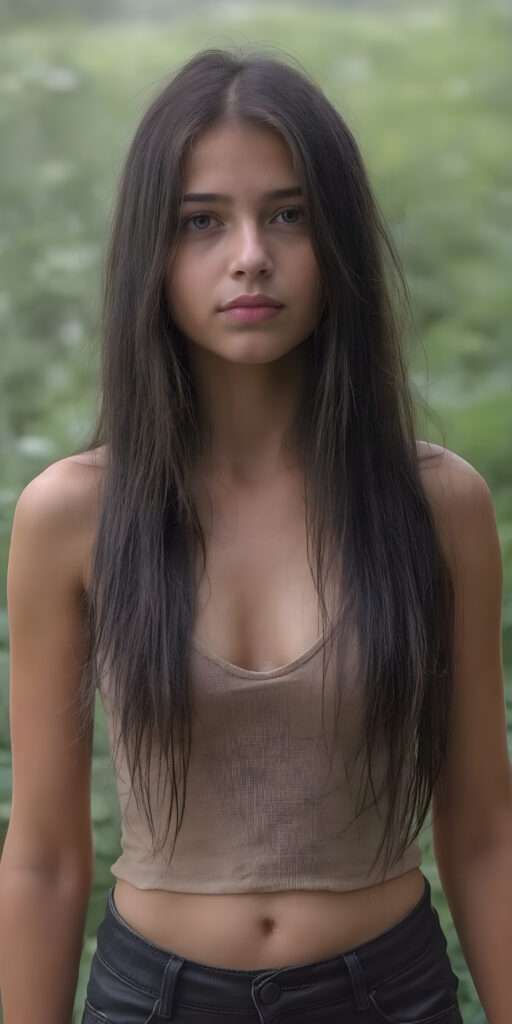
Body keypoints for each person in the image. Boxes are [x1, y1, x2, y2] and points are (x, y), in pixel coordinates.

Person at [1, 44, 511, 1024]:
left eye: (288, 214)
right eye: (202, 221)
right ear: (150, 250)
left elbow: (482, 832)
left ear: (340, 245)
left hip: (386, 995)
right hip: (153, 1000)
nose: (249, 254)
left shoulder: (435, 505)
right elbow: (46, 854)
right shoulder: (71, 515)